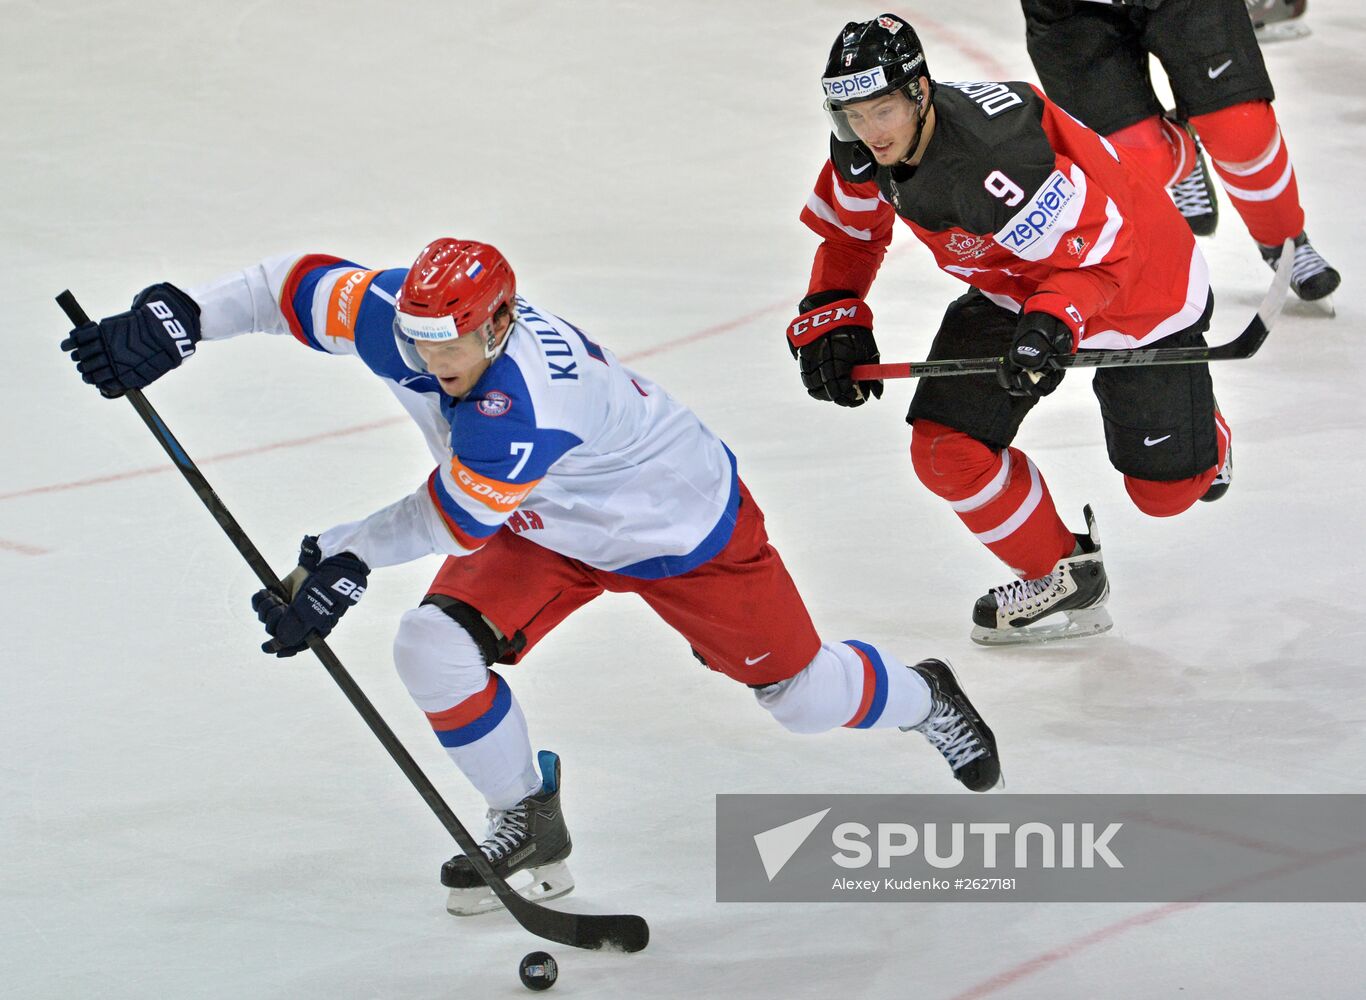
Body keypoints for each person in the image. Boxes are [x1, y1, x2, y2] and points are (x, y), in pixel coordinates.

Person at [59, 238, 1002, 915]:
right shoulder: (411, 324)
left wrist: (333, 555)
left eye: (451, 344)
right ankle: (526, 813)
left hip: (676, 533)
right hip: (545, 524)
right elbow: (288, 286)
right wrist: (181, 318)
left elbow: (447, 517)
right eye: (418, 339)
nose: (431, 362)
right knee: (430, 646)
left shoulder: (521, 409)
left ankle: (923, 699)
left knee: (800, 700)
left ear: (501, 322)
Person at [790, 13, 1235, 646]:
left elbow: (1103, 256)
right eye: (851, 115)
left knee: (1165, 496)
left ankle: (1204, 435)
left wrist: (1053, 322)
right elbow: (849, 234)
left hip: (1140, 290)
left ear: (919, 92)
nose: (867, 131)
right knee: (947, 450)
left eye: (881, 110)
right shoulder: (863, 148)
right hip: (1018, 291)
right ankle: (1064, 575)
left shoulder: (996, 158)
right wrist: (834, 309)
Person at [1021, 0, 1340, 302]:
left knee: (1240, 129)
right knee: (1130, 161)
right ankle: (1183, 152)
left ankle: (1284, 243)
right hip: (1073, 12)